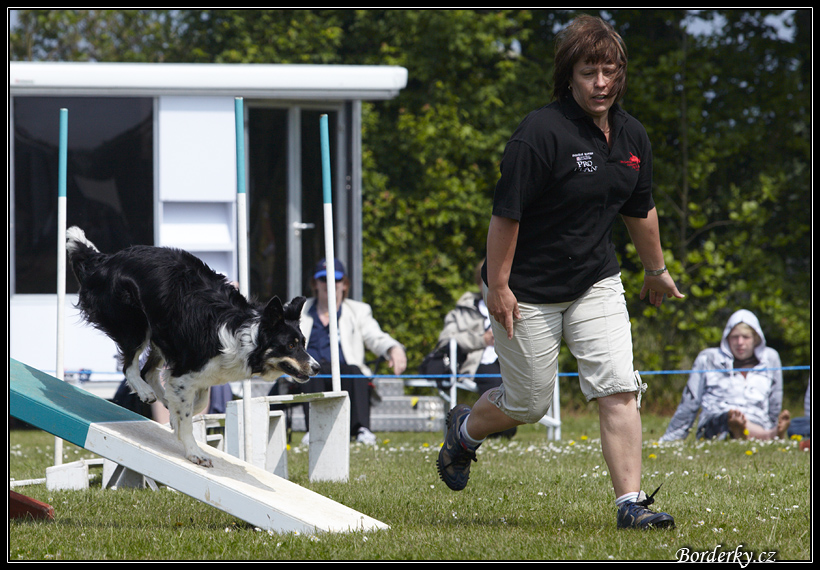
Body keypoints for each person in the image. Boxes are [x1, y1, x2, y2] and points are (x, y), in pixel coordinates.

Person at [436, 14, 684, 530]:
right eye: (590, 71)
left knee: (617, 386)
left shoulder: (632, 135)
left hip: (596, 279)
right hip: (528, 288)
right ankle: (463, 432)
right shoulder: (539, 133)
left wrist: (655, 269)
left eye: (610, 71)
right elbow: (507, 215)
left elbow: (641, 209)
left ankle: (630, 506)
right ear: (568, 75)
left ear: (621, 74)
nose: (601, 83)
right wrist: (498, 287)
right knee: (526, 403)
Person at [295, 258, 407, 445]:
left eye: (336, 279)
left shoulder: (359, 311)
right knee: (309, 370)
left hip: (346, 370)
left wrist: (393, 349)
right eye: (323, 279)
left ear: (344, 284)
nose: (330, 284)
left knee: (355, 371)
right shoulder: (300, 310)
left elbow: (375, 337)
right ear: (315, 283)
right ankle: (313, 430)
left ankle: (362, 429)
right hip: (310, 369)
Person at [660, 310, 790, 442]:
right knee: (731, 417)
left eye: (746, 337)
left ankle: (748, 432)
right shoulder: (708, 358)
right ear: (727, 337)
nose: (740, 342)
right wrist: (672, 437)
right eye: (735, 337)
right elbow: (690, 401)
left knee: (746, 420)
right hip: (716, 422)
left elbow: (775, 400)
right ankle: (766, 435)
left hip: (758, 420)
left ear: (756, 338)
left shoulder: (770, 358)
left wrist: (774, 424)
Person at [434, 261, 515, 438]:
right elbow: (446, 340)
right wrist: (481, 340)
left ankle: (500, 429)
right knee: (495, 382)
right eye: (486, 281)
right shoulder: (463, 309)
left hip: (512, 358)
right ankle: (496, 431)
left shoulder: (517, 304)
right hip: (478, 362)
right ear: (479, 283)